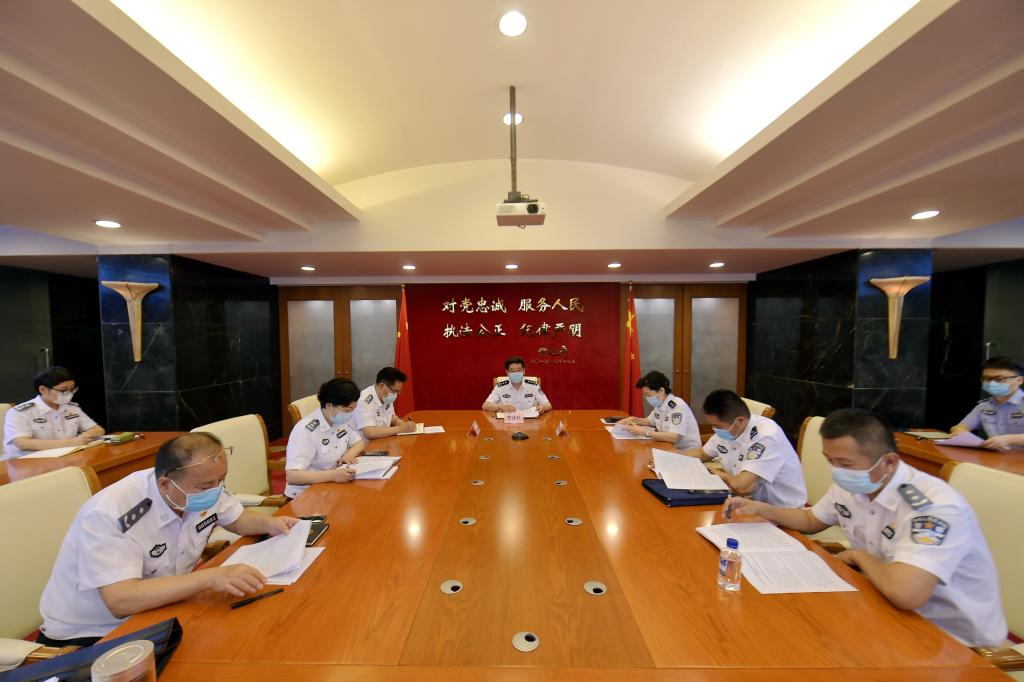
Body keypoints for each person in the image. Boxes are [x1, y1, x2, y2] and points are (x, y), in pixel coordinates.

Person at [724, 408, 1007, 648]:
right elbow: (811, 521)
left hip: (952, 639)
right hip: (881, 607)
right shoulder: (857, 483)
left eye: (845, 463)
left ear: (889, 462)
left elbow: (906, 593)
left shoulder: (932, 508)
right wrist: (761, 508)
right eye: (830, 461)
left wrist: (859, 557)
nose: (837, 471)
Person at [38, 432, 299, 646]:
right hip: (94, 634)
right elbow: (120, 600)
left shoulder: (199, 484)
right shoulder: (111, 512)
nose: (216, 491)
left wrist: (270, 523)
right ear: (164, 484)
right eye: (205, 487)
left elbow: (236, 518)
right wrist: (211, 577)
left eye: (221, 480)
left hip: (162, 609)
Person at [686, 389, 806, 508]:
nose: (715, 430)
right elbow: (702, 453)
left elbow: (743, 487)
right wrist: (674, 457)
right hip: (748, 502)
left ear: (740, 421)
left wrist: (719, 474)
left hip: (782, 512)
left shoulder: (766, 436)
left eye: (718, 426)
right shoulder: (730, 429)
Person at [285, 377, 365, 498]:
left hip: (332, 487)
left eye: (353, 409)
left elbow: (359, 443)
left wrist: (348, 455)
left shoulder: (338, 420)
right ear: (329, 406)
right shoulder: (305, 430)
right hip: (306, 494)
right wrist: (333, 475)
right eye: (347, 410)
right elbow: (293, 476)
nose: (350, 414)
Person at [3, 366, 105, 460]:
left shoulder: (71, 408)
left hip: (64, 459)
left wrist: (88, 435)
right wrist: (72, 443)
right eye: (64, 390)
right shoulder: (20, 412)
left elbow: (98, 429)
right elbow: (23, 443)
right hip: (26, 463)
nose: (69, 394)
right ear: (43, 389)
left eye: (72, 389)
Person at [951, 356, 1024, 450]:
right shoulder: (984, 406)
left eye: (999, 379)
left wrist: (1009, 439)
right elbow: (960, 427)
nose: (992, 383)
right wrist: (959, 432)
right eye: (987, 378)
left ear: (1019, 380)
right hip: (995, 456)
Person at [618, 371, 700, 449]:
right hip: (668, 447)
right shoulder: (660, 404)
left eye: (648, 395)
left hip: (686, 452)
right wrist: (633, 419)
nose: (647, 399)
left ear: (661, 391)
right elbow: (649, 421)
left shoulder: (677, 406)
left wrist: (644, 432)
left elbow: (675, 437)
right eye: (644, 396)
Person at [353, 367, 418, 439]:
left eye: (398, 391)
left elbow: (390, 417)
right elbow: (370, 433)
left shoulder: (386, 397)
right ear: (382, 386)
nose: (396, 394)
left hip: (383, 440)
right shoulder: (363, 401)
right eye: (395, 391)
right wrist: (401, 429)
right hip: (367, 444)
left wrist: (401, 423)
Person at [481, 356, 552, 413]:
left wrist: (542, 407)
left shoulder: (533, 385)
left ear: (524, 371)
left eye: (519, 370)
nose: (515, 373)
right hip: (507, 422)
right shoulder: (500, 387)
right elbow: (485, 406)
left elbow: (548, 405)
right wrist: (500, 407)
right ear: (507, 372)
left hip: (529, 422)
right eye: (512, 371)